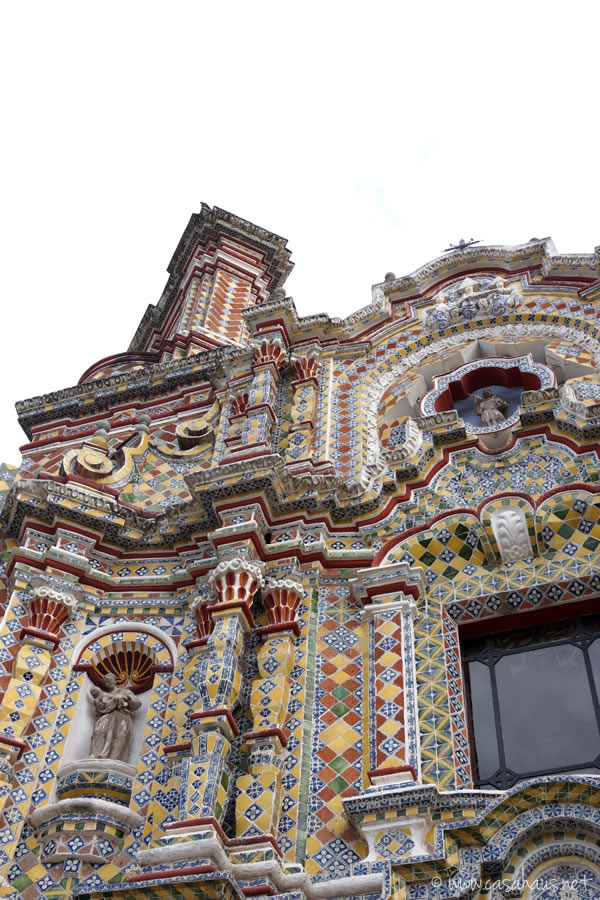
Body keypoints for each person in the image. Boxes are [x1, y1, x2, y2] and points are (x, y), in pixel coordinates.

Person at [89, 673, 141, 763]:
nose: (108, 682)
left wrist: (126, 698)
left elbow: (137, 703)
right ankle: (95, 755)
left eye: (110, 679)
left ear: (115, 680)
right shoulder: (103, 695)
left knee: (120, 735)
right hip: (107, 716)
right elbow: (99, 707)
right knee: (99, 731)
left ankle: (115, 759)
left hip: (121, 716)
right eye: (106, 681)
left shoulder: (124, 691)